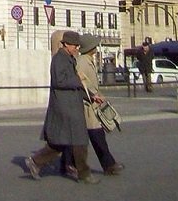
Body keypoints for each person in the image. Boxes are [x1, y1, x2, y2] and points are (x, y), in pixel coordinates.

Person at [24, 29, 98, 184]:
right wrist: (78, 81)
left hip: (71, 105)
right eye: (75, 46)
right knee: (78, 140)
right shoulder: (59, 59)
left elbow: (76, 86)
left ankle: (36, 161)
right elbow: (60, 81)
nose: (77, 48)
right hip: (65, 107)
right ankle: (84, 174)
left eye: (78, 46)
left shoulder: (69, 59)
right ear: (66, 45)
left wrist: (91, 96)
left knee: (61, 142)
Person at [77, 34, 123, 175]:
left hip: (93, 103)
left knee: (88, 137)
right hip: (88, 105)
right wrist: (92, 96)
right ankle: (109, 165)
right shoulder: (82, 62)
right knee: (97, 136)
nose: (96, 47)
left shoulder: (87, 60)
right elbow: (81, 83)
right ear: (90, 47)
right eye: (94, 45)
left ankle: (67, 163)